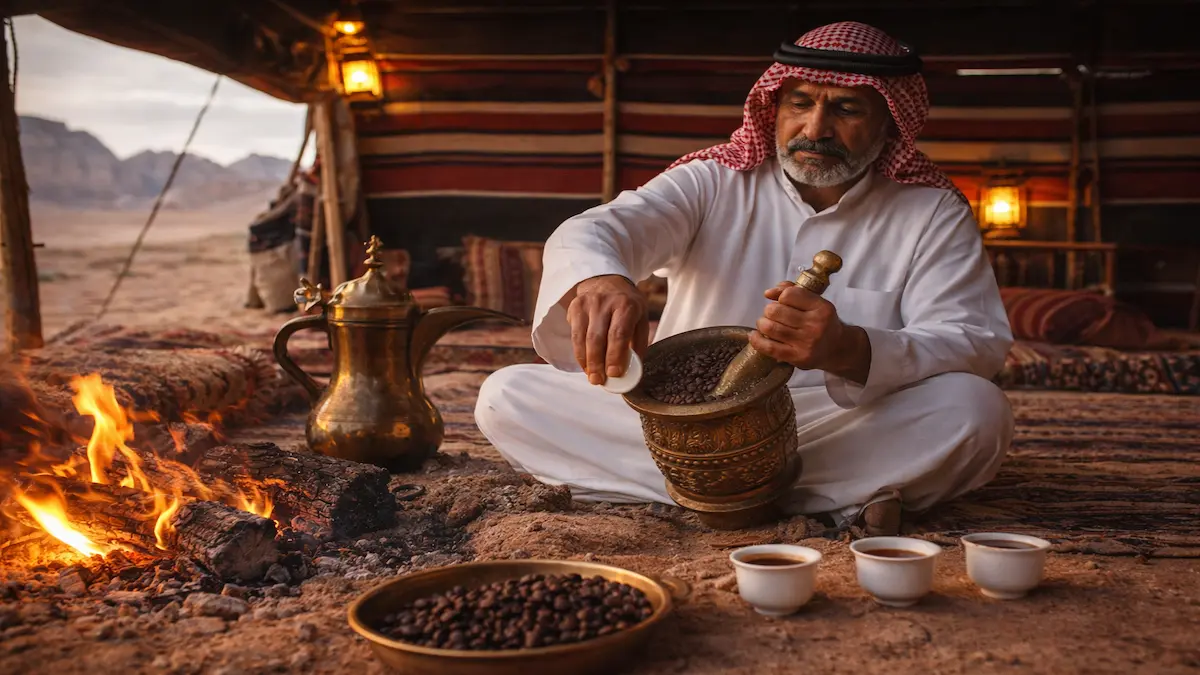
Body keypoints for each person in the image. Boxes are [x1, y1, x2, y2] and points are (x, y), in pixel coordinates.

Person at [474, 21, 1015, 535]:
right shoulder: (712, 181)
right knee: (506, 396)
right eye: (799, 103)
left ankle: (701, 494)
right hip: (678, 424)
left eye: (846, 109)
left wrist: (850, 349)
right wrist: (600, 279)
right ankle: (826, 498)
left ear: (890, 122)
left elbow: (973, 341)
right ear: (773, 106)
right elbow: (598, 229)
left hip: (832, 419)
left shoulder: (930, 211)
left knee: (977, 412)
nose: (815, 129)